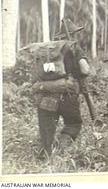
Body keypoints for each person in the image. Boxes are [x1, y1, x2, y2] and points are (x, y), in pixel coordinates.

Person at [32, 19, 90, 157]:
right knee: (73, 124)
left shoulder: (47, 50)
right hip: (67, 94)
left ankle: (44, 153)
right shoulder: (73, 46)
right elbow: (85, 70)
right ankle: (62, 147)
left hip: (45, 93)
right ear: (72, 34)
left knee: (47, 128)